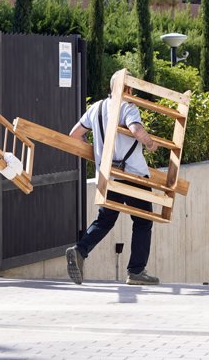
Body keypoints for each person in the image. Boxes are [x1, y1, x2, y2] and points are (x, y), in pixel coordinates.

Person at [66, 72, 160, 285]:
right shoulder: (127, 107)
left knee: (105, 219)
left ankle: (80, 251)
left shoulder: (96, 108)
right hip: (133, 175)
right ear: (127, 89)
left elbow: (74, 134)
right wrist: (151, 144)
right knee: (143, 221)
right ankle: (136, 271)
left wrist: (98, 154)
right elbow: (136, 129)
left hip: (108, 176)